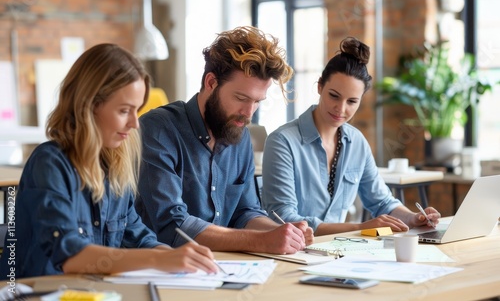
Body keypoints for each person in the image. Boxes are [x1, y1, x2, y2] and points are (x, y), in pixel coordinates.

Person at [0, 44, 218, 279]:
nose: (135, 123)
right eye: (125, 110)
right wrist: (161, 258)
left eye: (137, 111)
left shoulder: (114, 167)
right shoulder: (50, 164)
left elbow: (137, 236)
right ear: (89, 106)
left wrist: (174, 256)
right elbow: (70, 255)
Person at [136, 26, 314, 254]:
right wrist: (261, 242)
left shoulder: (240, 137)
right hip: (162, 269)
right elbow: (173, 225)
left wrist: (282, 233)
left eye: (258, 101)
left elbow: (245, 212)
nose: (249, 113)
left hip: (224, 268)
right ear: (211, 83)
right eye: (241, 98)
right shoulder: (157, 129)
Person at [261, 37, 441, 236]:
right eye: (334, 96)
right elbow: (284, 217)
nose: (341, 109)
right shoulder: (282, 142)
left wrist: (414, 218)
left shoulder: (356, 142)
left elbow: (382, 202)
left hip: (339, 251)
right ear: (320, 86)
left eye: (352, 101)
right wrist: (359, 228)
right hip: (292, 251)